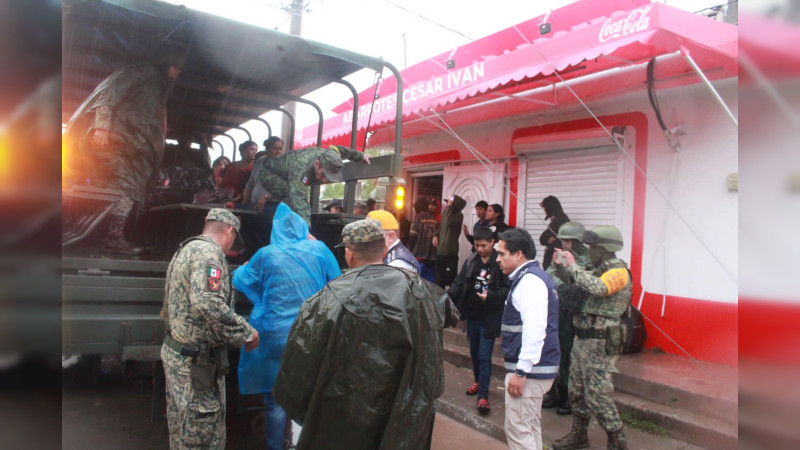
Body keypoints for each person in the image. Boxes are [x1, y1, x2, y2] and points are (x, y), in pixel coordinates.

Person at [272, 219, 459, 450]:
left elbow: (295, 375)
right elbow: (450, 313)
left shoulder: (326, 299)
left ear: (349, 255)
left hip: (345, 422)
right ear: (383, 249)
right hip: (405, 417)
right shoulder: (420, 290)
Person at [232, 203, 340, 450]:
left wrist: (246, 268)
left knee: (275, 399)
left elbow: (240, 279)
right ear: (304, 228)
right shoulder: (319, 250)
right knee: (307, 396)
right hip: (310, 334)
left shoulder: (267, 254)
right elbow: (337, 284)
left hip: (274, 335)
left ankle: (276, 447)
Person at [63, 51, 183, 254]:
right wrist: (102, 126)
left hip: (133, 147)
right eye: (176, 67)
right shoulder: (142, 72)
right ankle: (112, 237)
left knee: (127, 189)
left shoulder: (159, 85)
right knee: (123, 188)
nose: (177, 73)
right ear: (166, 63)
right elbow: (110, 92)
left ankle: (108, 235)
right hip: (118, 143)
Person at [160, 208, 260, 450]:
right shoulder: (209, 255)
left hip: (178, 354)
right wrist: (245, 332)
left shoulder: (186, 248)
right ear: (229, 231)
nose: (231, 246)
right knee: (202, 436)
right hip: (197, 366)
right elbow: (207, 300)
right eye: (233, 239)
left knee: (182, 431)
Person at [551, 225, 631, 450]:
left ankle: (617, 440)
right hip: (582, 339)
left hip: (601, 342)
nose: (590, 251)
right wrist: (561, 269)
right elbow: (575, 281)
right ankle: (579, 436)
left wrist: (574, 266)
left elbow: (599, 288)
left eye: (593, 248)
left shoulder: (618, 272)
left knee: (598, 393)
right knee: (576, 390)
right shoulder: (594, 267)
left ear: (604, 249)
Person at [496, 227, 560, 450]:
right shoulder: (530, 278)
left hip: (530, 372)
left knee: (518, 430)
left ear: (519, 254)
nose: (498, 259)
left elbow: (535, 330)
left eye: (502, 253)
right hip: (535, 370)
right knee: (530, 427)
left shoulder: (530, 282)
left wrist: (522, 370)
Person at [447, 226, 509, 415]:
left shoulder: (500, 262)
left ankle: (483, 395)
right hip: (471, 317)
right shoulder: (472, 260)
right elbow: (459, 284)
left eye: (483, 245)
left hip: (488, 319)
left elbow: (508, 290)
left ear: (492, 242)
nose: (480, 249)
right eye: (477, 245)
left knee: (484, 356)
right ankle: (477, 382)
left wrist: (490, 296)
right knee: (474, 353)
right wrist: (447, 299)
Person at [543, 222, 592, 416]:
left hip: (577, 314)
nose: (564, 243)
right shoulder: (561, 255)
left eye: (568, 240)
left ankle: (571, 399)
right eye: (562, 239)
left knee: (572, 358)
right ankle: (557, 392)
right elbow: (548, 276)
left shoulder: (587, 259)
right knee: (558, 353)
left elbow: (587, 282)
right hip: (559, 310)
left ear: (578, 241)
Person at [257, 145, 371, 224]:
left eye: (328, 177)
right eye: (323, 174)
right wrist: (307, 232)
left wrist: (360, 156)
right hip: (268, 174)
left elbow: (341, 150)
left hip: (288, 173)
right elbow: (300, 200)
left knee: (294, 193)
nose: (325, 180)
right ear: (316, 164)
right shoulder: (300, 167)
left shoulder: (331, 154)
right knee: (291, 196)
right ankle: (291, 231)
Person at [433, 195, 466, 288]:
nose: (447, 204)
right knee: (439, 280)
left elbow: (448, 222)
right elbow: (442, 226)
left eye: (449, 202)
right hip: (440, 252)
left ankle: (450, 300)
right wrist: (436, 235)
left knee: (450, 281)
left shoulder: (459, 215)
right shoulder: (446, 213)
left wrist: (450, 207)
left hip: (450, 254)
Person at [242, 136, 284, 207]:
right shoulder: (259, 161)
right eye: (275, 149)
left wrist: (265, 197)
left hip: (273, 204)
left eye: (280, 149)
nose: (278, 152)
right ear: (268, 149)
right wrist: (244, 203)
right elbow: (251, 183)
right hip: (254, 202)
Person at [409, 198, 439, 283]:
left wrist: (409, 251)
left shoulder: (417, 218)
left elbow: (412, 236)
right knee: (430, 283)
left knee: (417, 282)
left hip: (419, 255)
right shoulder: (434, 219)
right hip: (432, 257)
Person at [539, 195, 570, 269]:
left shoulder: (558, 220)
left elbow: (542, 239)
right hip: (558, 258)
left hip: (555, 259)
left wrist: (546, 240)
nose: (544, 210)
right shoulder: (562, 218)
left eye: (545, 208)